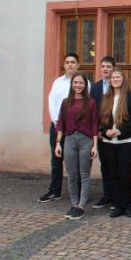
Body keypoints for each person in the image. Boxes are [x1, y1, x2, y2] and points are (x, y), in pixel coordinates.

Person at [54, 72, 98, 220]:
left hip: (86, 140)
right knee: (72, 175)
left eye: (81, 83)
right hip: (70, 140)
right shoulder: (66, 102)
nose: (78, 85)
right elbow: (60, 124)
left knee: (84, 174)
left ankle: (81, 205)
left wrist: (94, 146)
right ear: (72, 85)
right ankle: (74, 204)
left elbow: (94, 125)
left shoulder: (90, 102)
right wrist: (58, 144)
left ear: (85, 85)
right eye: (75, 83)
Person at [98, 68, 131, 218]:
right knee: (113, 174)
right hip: (108, 142)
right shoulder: (106, 97)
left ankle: (127, 205)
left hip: (127, 141)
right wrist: (106, 132)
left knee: (124, 173)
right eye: (113, 77)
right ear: (109, 80)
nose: (115, 79)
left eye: (118, 77)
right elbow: (100, 120)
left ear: (123, 79)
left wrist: (120, 131)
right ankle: (116, 205)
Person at [39, 52, 80, 203]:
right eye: (67, 62)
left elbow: (85, 105)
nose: (70, 64)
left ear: (78, 65)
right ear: (64, 65)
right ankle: (55, 190)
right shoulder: (57, 82)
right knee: (56, 159)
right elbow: (52, 101)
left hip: (75, 128)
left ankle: (78, 192)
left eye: (73, 62)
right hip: (57, 126)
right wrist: (56, 121)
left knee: (75, 160)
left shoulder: (82, 82)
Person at [90, 55, 115, 209]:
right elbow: (92, 112)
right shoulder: (95, 87)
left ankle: (116, 195)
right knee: (105, 165)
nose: (105, 69)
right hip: (100, 133)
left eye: (108, 67)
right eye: (103, 66)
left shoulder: (118, 85)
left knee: (116, 166)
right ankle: (107, 195)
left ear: (113, 69)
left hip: (116, 132)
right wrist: (97, 130)